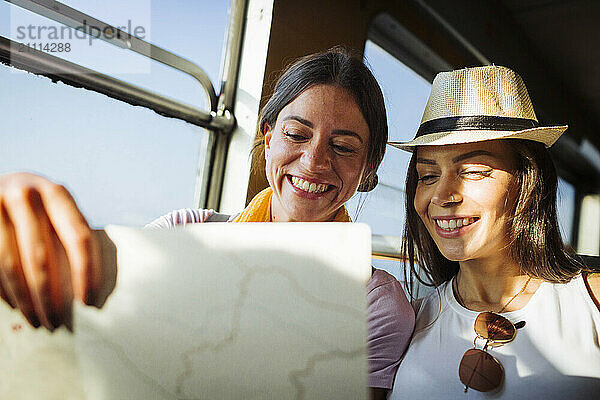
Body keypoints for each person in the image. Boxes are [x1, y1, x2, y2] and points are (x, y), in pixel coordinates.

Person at [0, 48, 414, 397]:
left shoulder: (377, 307)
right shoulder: (183, 231)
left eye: (342, 147)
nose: (315, 161)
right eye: (296, 134)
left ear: (368, 169)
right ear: (268, 140)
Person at [387, 65, 600, 399]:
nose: (443, 196)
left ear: (528, 181)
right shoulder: (405, 321)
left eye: (472, 171)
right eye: (427, 176)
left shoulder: (593, 301)